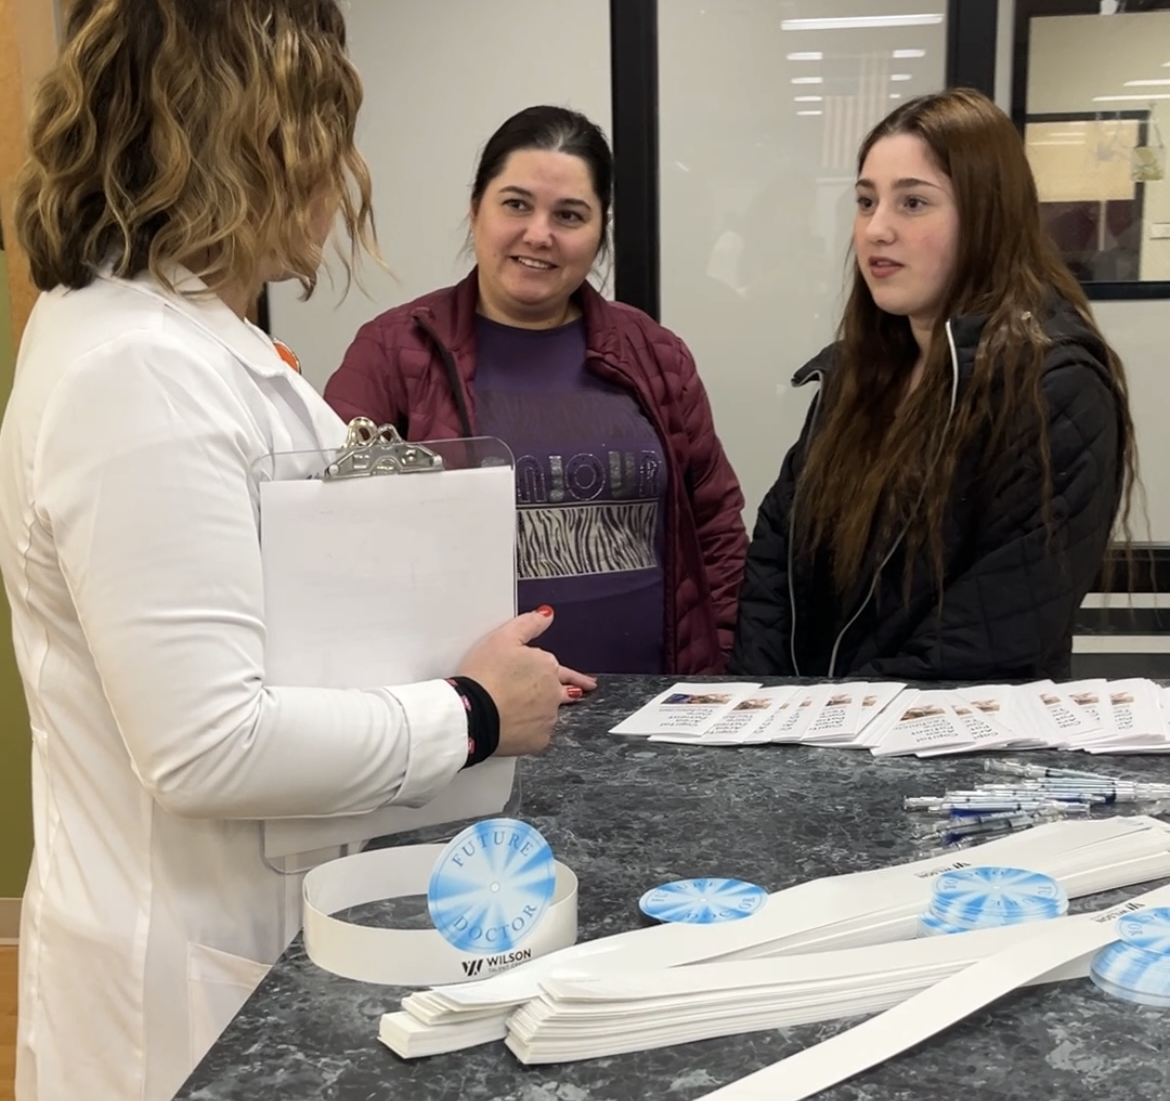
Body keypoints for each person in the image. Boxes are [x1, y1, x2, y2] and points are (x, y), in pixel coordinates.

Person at [0, 0, 576, 1101]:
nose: (346, 172)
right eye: (329, 131)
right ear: (247, 139)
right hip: (184, 987)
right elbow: (207, 744)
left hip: (269, 924)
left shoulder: (194, 341)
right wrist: (472, 709)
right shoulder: (134, 371)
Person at [731, 88, 1136, 682]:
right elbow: (776, 563)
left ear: (987, 216)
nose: (876, 230)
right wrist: (762, 699)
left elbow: (996, 634)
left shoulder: (1054, 387)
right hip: (812, 738)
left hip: (943, 746)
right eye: (866, 202)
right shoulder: (853, 373)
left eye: (913, 203)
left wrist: (828, 720)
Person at [325, 106, 747, 676]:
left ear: (600, 234)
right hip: (474, 728)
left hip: (653, 718)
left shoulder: (656, 354)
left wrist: (719, 668)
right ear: (476, 211)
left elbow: (715, 527)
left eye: (570, 215)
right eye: (516, 204)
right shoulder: (394, 353)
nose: (539, 234)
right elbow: (331, 539)